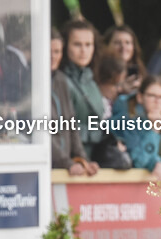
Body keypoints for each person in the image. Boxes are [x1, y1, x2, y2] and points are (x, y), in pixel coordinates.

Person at [50, 29, 98, 176]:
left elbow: (71, 123)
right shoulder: (29, 81)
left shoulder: (60, 79)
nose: (53, 57)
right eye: (49, 51)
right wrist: (67, 163)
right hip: (48, 166)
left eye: (57, 51)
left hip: (64, 167)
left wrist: (84, 160)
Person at [109, 75, 161, 180]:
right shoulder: (127, 118)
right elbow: (139, 162)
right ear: (140, 97)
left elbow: (150, 154)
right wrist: (154, 131)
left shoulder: (155, 118)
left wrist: (157, 162)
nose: (157, 101)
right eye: (152, 95)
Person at [60, 20, 106, 160]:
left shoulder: (91, 81)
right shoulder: (60, 81)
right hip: (71, 161)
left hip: (94, 161)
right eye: (77, 44)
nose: (84, 50)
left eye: (88, 45)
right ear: (65, 46)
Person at [104, 25, 146, 94]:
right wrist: (120, 89)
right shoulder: (99, 72)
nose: (123, 47)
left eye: (127, 42)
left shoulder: (141, 71)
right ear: (107, 46)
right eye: (117, 42)